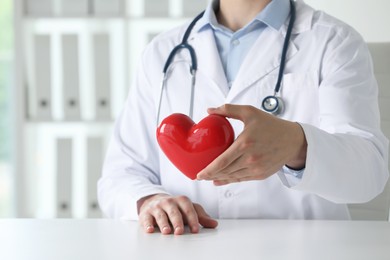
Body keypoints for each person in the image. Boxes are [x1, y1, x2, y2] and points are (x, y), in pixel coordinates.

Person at [98, 0, 389, 235]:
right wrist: (151, 201)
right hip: (187, 247)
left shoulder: (333, 42)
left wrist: (297, 145)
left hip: (301, 249)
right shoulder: (162, 51)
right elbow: (121, 173)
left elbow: (370, 174)